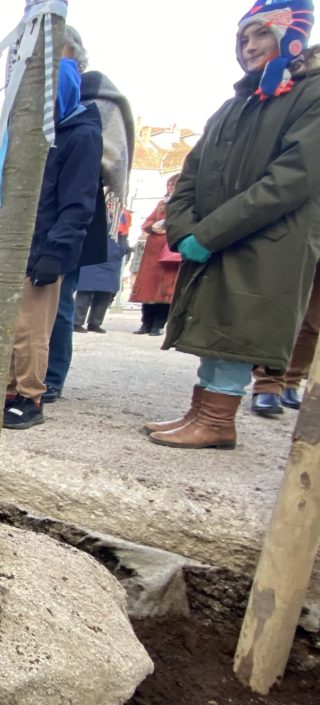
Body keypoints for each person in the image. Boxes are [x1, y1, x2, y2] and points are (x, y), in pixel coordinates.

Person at [147, 2, 320, 449]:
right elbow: (191, 172)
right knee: (214, 323)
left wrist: (210, 232)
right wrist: (182, 229)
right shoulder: (235, 104)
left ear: (291, 36)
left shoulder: (311, 95)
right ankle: (200, 411)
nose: (249, 47)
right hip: (218, 238)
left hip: (264, 241)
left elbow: (291, 180)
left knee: (237, 326)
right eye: (243, 39)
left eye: (261, 36)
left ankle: (219, 419)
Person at [3, 57, 103, 429]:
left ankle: (31, 397)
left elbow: (78, 203)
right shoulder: (36, 138)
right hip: (19, 247)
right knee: (13, 327)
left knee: (32, 329)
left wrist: (55, 251)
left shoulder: (81, 136)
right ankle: (10, 390)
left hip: (45, 249)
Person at [44, 26, 135, 402]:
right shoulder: (38, 100)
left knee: (61, 300)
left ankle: (51, 376)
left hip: (77, 212)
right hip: (37, 212)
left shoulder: (98, 101)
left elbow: (108, 161)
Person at [251, 258, 319, 414]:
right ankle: (268, 383)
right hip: (305, 236)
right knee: (285, 308)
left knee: (315, 321)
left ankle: (291, 381)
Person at [129, 175, 181, 336]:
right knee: (148, 288)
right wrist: (154, 226)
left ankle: (158, 324)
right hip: (152, 253)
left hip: (170, 252)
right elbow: (146, 224)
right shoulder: (161, 204)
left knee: (166, 290)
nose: (170, 188)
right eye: (169, 185)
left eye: (173, 185)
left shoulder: (184, 204)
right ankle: (146, 323)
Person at [74, 209, 130, 333]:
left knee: (104, 293)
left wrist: (123, 249)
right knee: (85, 291)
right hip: (93, 253)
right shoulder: (95, 209)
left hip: (113, 258)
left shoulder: (123, 214)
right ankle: (77, 321)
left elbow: (124, 234)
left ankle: (95, 322)